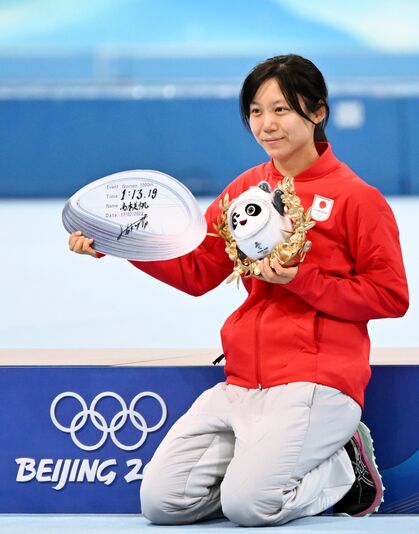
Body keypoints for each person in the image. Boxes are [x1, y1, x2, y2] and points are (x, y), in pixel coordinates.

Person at [69, 54, 409, 527]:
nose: (266, 124)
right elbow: (197, 272)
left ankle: (342, 467)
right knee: (163, 504)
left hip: (316, 380)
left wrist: (301, 280)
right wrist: (120, 245)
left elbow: (390, 296)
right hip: (243, 380)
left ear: (318, 112)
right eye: (255, 111)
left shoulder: (358, 199)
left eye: (281, 109)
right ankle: (259, 467)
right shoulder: (244, 189)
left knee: (250, 506)